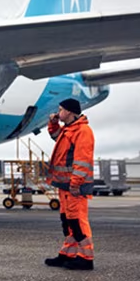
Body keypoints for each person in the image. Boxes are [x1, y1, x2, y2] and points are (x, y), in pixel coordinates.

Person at [44, 97, 96, 270]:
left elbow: (82, 161)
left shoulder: (82, 131)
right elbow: (56, 136)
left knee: (77, 221)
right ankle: (67, 254)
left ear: (69, 112)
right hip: (65, 185)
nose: (58, 112)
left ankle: (86, 258)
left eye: (61, 109)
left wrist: (75, 184)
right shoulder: (68, 130)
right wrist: (53, 123)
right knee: (67, 221)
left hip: (75, 187)